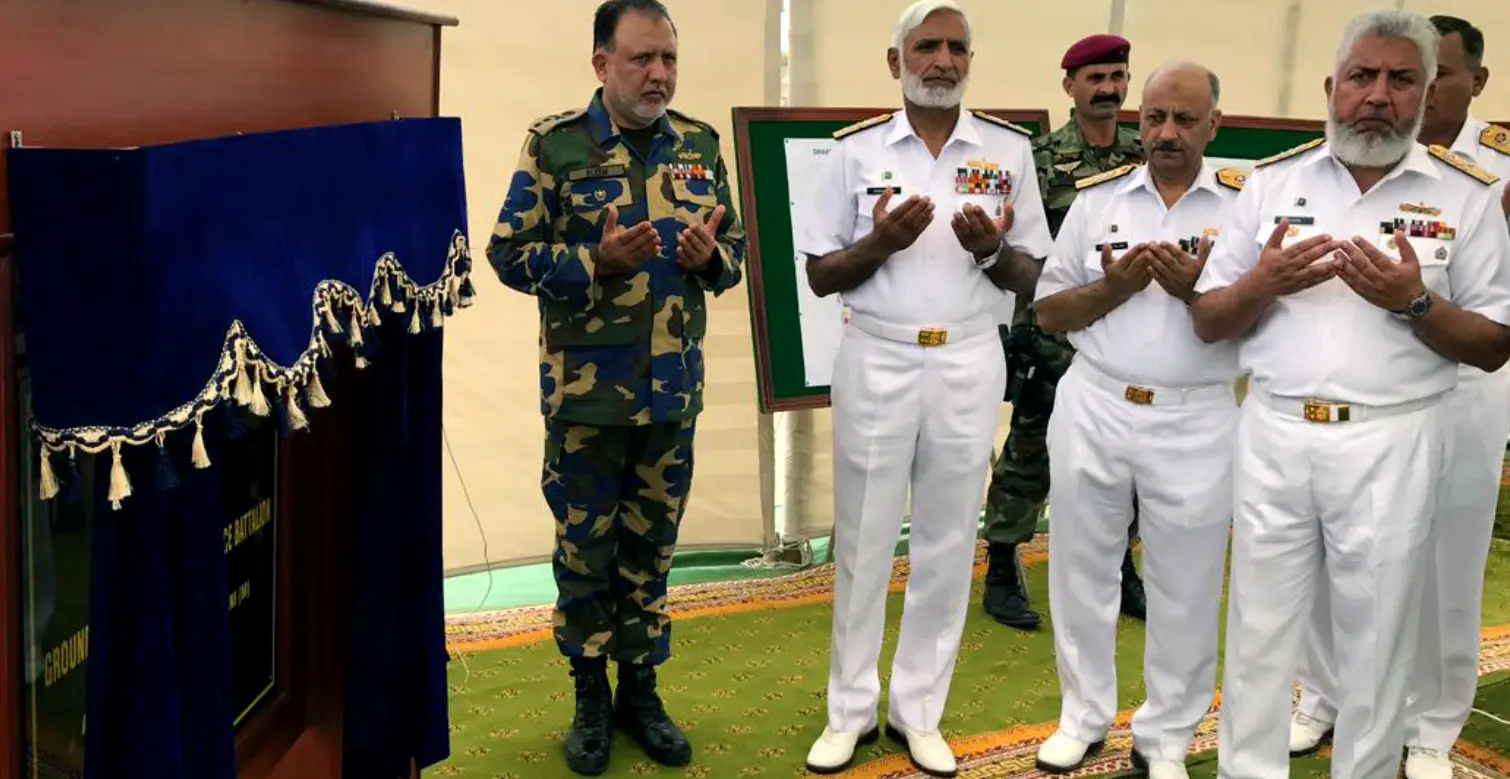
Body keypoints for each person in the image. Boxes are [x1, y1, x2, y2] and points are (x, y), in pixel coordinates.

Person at [1193, 10, 1510, 779]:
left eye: (1401, 80)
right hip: (1275, 431)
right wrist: (1262, 283)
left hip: (1392, 438)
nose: (1377, 95)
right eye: (1362, 77)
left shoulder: (1465, 197)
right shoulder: (1271, 184)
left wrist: (1415, 302)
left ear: (1425, 94)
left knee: (1379, 636)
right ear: (1331, 86)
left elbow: (1494, 344)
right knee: (1262, 629)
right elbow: (1208, 319)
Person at [487, 0, 745, 774]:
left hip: (672, 396)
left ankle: (641, 689)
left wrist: (710, 260)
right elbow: (507, 254)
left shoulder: (699, 145)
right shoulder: (557, 145)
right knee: (585, 554)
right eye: (641, 58)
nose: (659, 74)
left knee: (651, 552)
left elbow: (733, 253)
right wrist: (591, 263)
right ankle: (589, 695)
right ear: (602, 64)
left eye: (669, 58)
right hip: (587, 403)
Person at [795, 1, 1052, 775]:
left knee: (946, 540)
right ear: (895, 61)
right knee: (864, 539)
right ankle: (849, 710)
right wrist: (880, 242)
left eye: (957, 48)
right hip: (878, 354)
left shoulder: (1007, 149)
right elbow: (820, 274)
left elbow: (1033, 277)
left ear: (970, 61)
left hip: (969, 358)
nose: (943, 61)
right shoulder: (855, 152)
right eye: (927, 46)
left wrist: (991, 251)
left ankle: (919, 711)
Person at [1288, 15, 1510, 779]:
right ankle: (1323, 692)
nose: (1420, 87)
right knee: (1326, 545)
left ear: (1475, 81)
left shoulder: (1496, 170)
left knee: (1446, 557)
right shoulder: (1354, 154)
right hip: (1359, 384)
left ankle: (1431, 724)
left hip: (1465, 382)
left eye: (1438, 73)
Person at [1031, 62, 1242, 779]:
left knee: (1185, 584)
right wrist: (1115, 287)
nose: (1167, 133)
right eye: (1154, 118)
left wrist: (1194, 293)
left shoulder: (1244, 206)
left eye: (1185, 119)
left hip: (1196, 416)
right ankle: (1082, 716)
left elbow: (1257, 320)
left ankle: (1167, 737)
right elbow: (1049, 311)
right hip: (1097, 402)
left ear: (1214, 124)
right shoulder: (1099, 200)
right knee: (1081, 571)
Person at [981, 33, 1148, 631]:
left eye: (1116, 77)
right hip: (1053, 338)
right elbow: (1022, 249)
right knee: (1031, 453)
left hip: (1126, 336)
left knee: (1126, 458)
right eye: (1094, 78)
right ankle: (1002, 566)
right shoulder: (1039, 159)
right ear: (1069, 86)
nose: (1107, 89)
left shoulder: (1146, 153)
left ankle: (1120, 564)